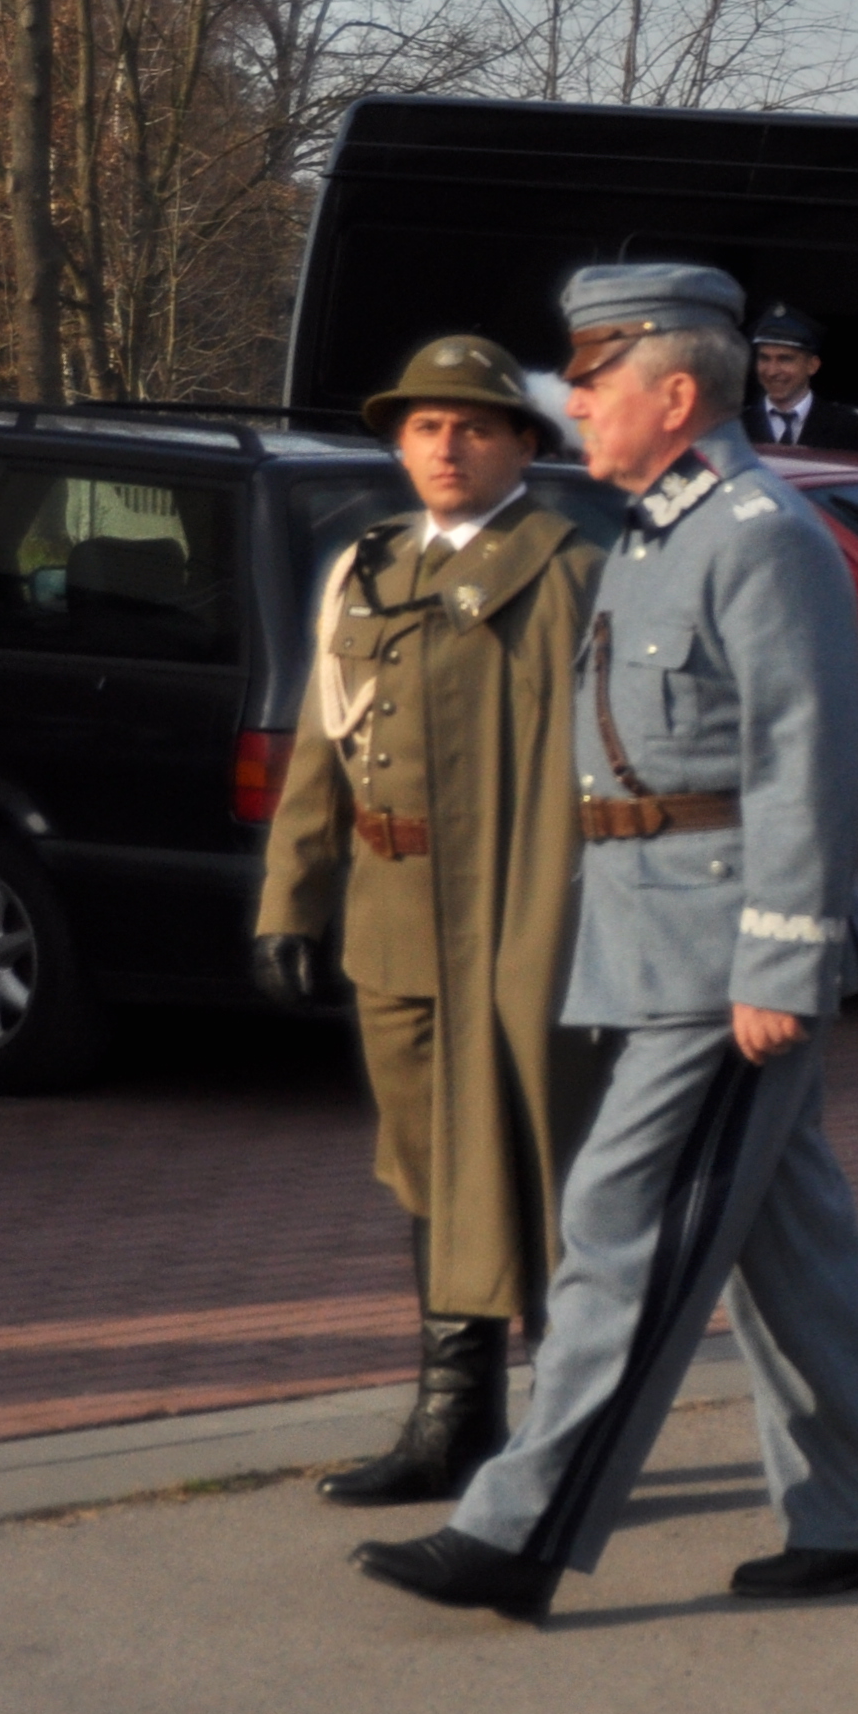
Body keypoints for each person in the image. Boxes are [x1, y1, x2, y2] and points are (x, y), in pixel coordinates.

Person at [352, 265, 858, 1624]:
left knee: (621, 1223)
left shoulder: (756, 530)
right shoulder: (655, 530)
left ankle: (517, 1530)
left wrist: (781, 964)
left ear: (674, 395)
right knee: (789, 1246)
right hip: (664, 935)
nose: (572, 402)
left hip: (728, 949)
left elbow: (810, 763)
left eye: (595, 379)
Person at [258, 338, 612, 1505]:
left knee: (543, 1168)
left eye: (472, 426)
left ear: (524, 444)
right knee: (424, 1165)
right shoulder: (366, 564)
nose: (445, 446)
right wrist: (292, 898)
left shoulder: (571, 571)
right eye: (424, 427)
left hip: (523, 923)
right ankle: (452, 1418)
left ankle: (566, 1438)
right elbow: (326, 744)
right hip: (398, 917)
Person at [745, 308, 858, 451]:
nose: (772, 371)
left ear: (812, 365)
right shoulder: (734, 425)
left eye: (785, 359)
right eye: (764, 358)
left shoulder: (849, 427)